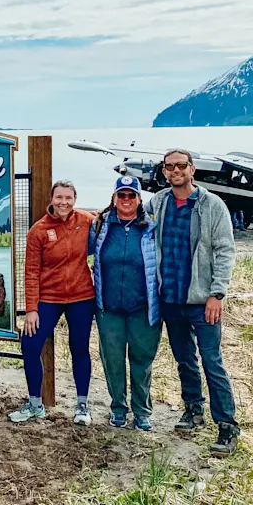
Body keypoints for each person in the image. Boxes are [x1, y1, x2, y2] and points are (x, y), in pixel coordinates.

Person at [145, 149, 240, 457]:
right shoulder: (158, 203)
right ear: (164, 171)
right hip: (170, 298)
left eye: (181, 165)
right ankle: (193, 409)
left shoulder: (212, 205)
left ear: (192, 169)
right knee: (184, 359)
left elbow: (224, 251)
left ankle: (227, 426)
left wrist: (217, 293)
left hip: (202, 301)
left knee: (212, 362)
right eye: (169, 166)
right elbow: (129, 214)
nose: (175, 171)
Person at [9, 180, 95, 426]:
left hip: (81, 297)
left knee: (79, 347)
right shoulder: (39, 230)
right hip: (48, 298)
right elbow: (31, 271)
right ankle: (35, 404)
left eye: (68, 198)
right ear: (51, 199)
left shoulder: (86, 220)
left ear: (75, 199)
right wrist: (32, 309)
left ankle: (82, 405)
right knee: (30, 344)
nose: (63, 202)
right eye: (59, 197)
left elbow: (106, 224)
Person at [88, 176, 161, 431]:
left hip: (143, 307)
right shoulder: (100, 226)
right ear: (114, 198)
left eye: (132, 195)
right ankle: (118, 407)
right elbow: (76, 248)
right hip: (109, 309)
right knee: (113, 359)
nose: (126, 200)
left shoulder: (152, 228)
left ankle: (142, 411)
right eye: (122, 195)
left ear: (140, 199)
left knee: (142, 361)